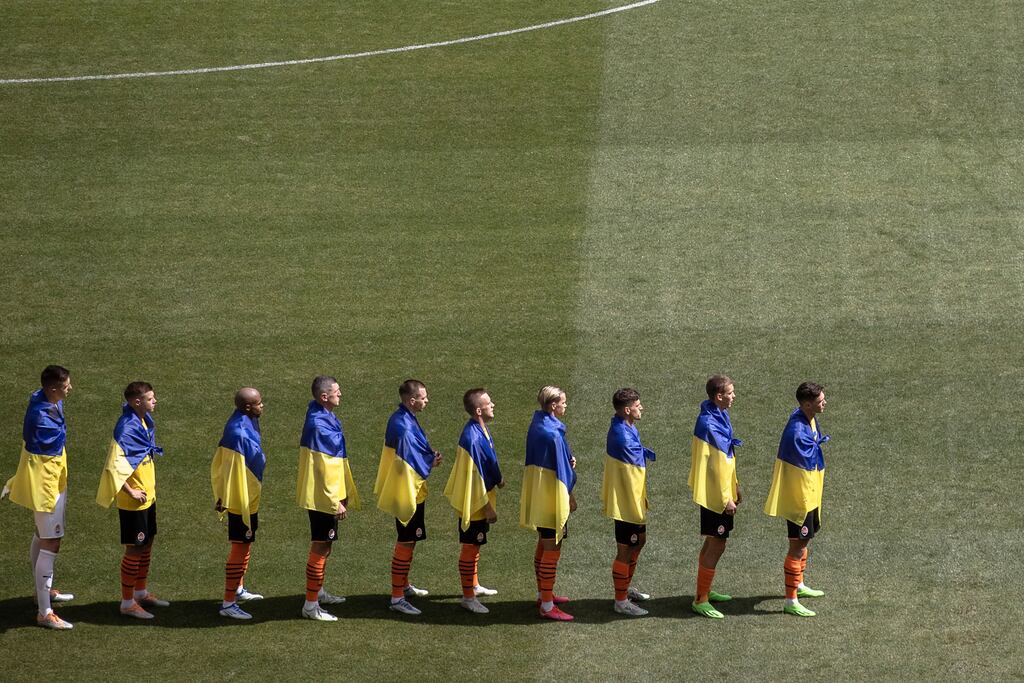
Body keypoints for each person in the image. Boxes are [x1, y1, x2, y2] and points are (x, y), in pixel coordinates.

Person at [2, 365, 75, 630]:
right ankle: (45, 612)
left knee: (41, 533)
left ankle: (41, 592)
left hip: (54, 479)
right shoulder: (42, 418)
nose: (70, 388)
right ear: (54, 388)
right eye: (66, 385)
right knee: (51, 541)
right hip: (46, 486)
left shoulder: (43, 398)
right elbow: (44, 451)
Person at [96, 381, 170, 619]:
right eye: (150, 398)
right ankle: (127, 602)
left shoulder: (144, 421)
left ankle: (140, 592)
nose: (155, 401)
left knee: (147, 543)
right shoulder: (126, 428)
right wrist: (131, 492)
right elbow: (113, 466)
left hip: (147, 496)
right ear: (137, 402)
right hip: (134, 501)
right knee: (134, 548)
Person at [374, 379, 442, 616]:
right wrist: (429, 462)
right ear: (412, 400)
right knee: (405, 540)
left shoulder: (403, 418)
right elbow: (408, 461)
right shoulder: (402, 424)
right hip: (407, 492)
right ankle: (396, 597)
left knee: (410, 540)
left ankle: (403, 584)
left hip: (408, 489)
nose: (427, 400)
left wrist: (427, 456)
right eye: (424, 397)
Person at [296, 375, 360, 622]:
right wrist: (336, 501)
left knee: (326, 544)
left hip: (322, 494)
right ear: (324, 396)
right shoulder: (319, 425)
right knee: (320, 545)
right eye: (337, 391)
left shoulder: (318, 413)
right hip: (324, 497)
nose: (340, 395)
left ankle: (318, 591)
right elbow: (325, 468)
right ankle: (311, 605)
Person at [764, 381, 829, 617]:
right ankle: (791, 601)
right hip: (800, 500)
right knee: (797, 545)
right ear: (807, 403)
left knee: (805, 542)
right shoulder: (797, 432)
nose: (825, 403)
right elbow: (801, 469)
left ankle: (798, 585)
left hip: (809, 495)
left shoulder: (807, 417)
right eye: (821, 400)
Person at [443, 388, 504, 615]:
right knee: (470, 546)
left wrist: (498, 479)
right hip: (476, 502)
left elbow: (488, 460)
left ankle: (474, 585)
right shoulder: (473, 438)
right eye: (489, 403)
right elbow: (475, 479)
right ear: (479, 410)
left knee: (475, 544)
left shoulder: (478, 429)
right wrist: (487, 508)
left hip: (479, 498)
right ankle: (468, 597)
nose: (493, 405)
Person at [688, 374, 743, 619]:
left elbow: (726, 459)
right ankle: (701, 599)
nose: (734, 396)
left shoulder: (718, 415)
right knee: (716, 543)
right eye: (730, 393)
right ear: (719, 396)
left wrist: (736, 485)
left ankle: (705, 590)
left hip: (720, 492)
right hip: (715, 497)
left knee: (713, 541)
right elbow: (715, 466)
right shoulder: (709, 424)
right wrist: (725, 498)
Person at [520, 385, 577, 621]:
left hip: (540, 494)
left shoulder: (539, 424)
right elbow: (563, 474)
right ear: (553, 405)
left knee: (544, 544)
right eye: (563, 402)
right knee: (552, 547)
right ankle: (546, 604)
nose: (566, 405)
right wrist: (570, 497)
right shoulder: (552, 434)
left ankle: (544, 593)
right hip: (551, 496)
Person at [211, 387, 267, 620]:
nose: (262, 406)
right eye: (259, 403)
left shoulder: (245, 421)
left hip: (248, 497)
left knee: (246, 544)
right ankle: (227, 603)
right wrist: (225, 497)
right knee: (240, 545)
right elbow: (228, 467)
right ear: (247, 407)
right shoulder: (238, 433)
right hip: (240, 500)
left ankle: (238, 589)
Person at [601, 387, 655, 617]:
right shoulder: (622, 435)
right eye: (637, 404)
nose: (641, 407)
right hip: (626, 503)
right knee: (625, 549)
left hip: (633, 499)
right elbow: (632, 473)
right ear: (626, 409)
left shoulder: (627, 427)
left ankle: (625, 587)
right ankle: (620, 600)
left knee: (639, 541)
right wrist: (635, 505)